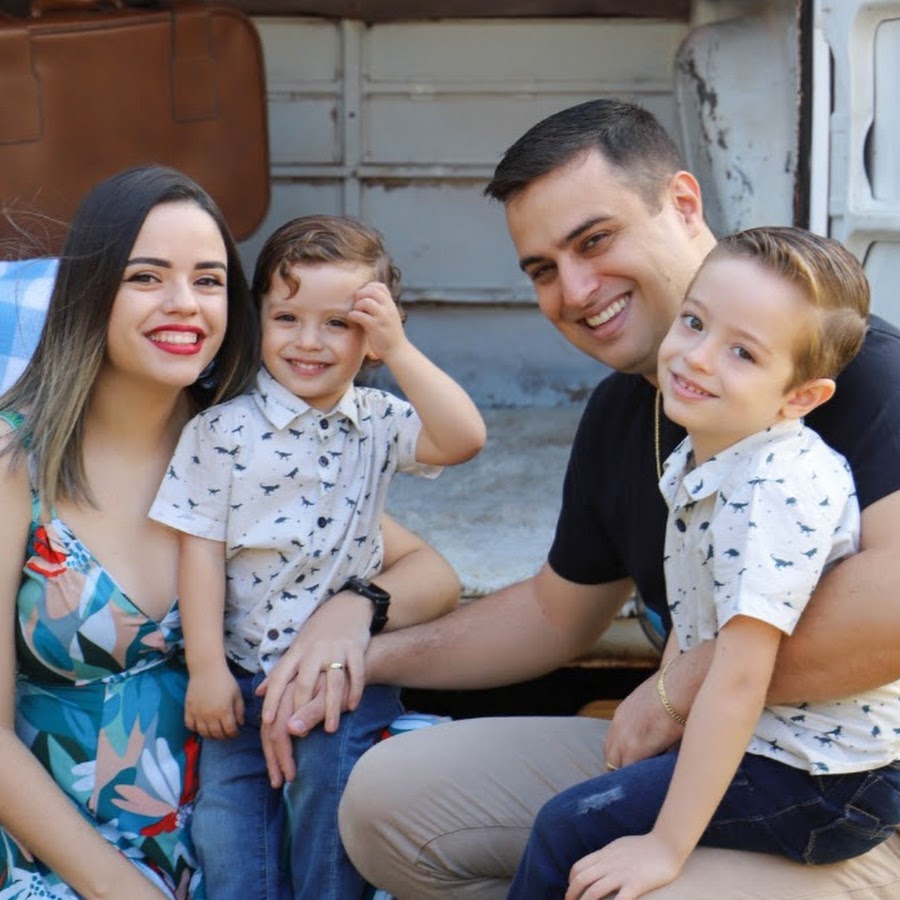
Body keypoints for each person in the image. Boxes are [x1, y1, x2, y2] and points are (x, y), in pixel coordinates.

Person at [325, 100, 900, 898]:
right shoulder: (626, 411)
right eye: (543, 270)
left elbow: (893, 605)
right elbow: (554, 614)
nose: (575, 289)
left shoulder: (859, 371)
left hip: (847, 799)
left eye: (594, 240)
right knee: (387, 803)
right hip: (709, 754)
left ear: (684, 204)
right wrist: (359, 652)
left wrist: (674, 690)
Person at [0, 168, 461, 899]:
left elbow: (429, 573)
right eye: (147, 276)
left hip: (251, 814)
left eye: (208, 280)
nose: (185, 303)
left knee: (435, 800)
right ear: (91, 289)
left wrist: (352, 609)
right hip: (78, 851)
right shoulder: (16, 460)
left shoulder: (245, 442)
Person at [510, 226, 900, 899]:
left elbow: (739, 677)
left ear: (800, 398)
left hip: (828, 780)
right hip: (774, 748)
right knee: (594, 811)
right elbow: (696, 622)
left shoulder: (770, 488)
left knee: (569, 826)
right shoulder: (709, 453)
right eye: (694, 322)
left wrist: (665, 846)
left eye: (742, 353)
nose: (696, 357)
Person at [149, 214, 486, 899]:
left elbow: (464, 438)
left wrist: (400, 351)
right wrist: (207, 669)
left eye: (339, 323)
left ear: (373, 335)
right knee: (228, 837)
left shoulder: (378, 420)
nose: (309, 341)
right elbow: (201, 555)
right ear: (259, 320)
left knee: (330, 820)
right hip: (242, 682)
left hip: (339, 683)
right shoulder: (222, 431)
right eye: (287, 318)